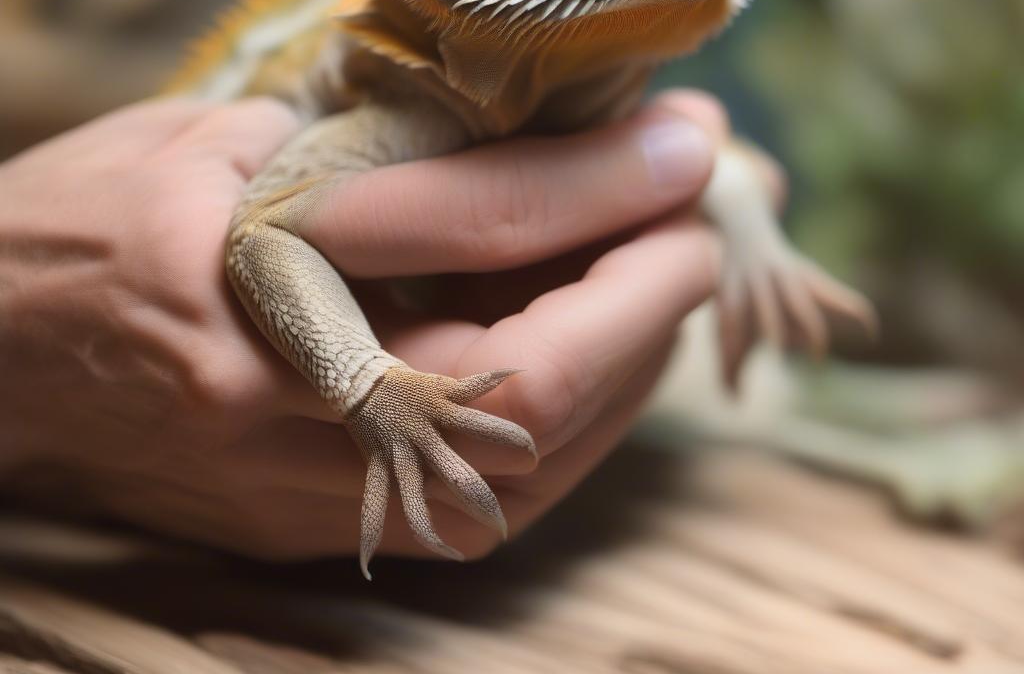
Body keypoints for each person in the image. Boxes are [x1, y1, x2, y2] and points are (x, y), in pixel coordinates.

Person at [0, 89, 731, 561]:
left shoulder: (594, 82)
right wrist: (369, 389)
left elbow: (722, 166)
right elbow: (262, 233)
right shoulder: (417, 88)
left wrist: (741, 232)